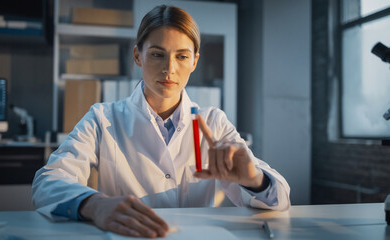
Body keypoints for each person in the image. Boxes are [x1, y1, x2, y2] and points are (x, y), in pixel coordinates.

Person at [32, 4, 290, 238]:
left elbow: (280, 200)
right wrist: (94, 205)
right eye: (157, 54)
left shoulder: (213, 122)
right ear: (137, 56)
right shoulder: (103, 119)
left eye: (182, 56)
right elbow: (47, 182)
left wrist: (255, 180)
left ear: (194, 62)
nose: (170, 68)